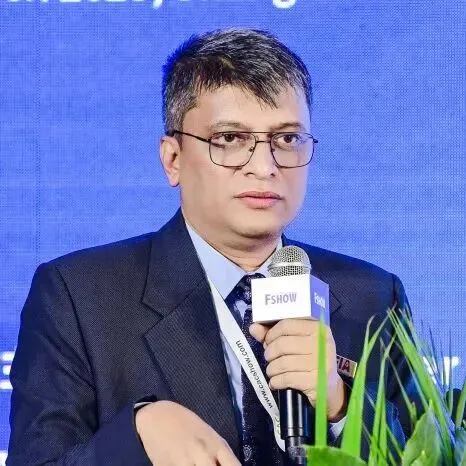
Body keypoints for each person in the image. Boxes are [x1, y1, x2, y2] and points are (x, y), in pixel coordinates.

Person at [7, 28, 416, 465]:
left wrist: (341, 405)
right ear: (173, 159)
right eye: (230, 139)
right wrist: (138, 431)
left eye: (287, 139)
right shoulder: (79, 297)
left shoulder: (373, 297)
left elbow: (430, 450)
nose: (265, 166)